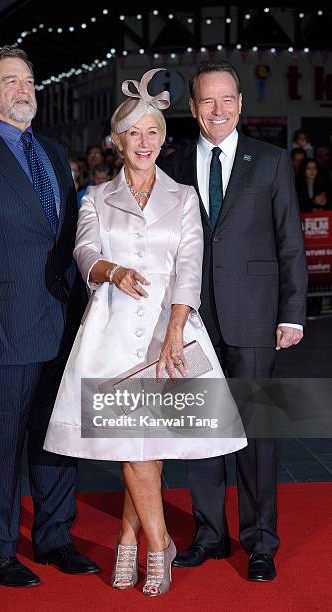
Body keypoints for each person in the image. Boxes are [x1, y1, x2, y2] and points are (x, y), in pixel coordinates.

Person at [44, 68, 246, 597]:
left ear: (163, 137)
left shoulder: (181, 199)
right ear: (116, 141)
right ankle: (161, 546)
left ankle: (129, 536)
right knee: (133, 448)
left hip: (168, 331)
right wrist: (113, 272)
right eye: (133, 133)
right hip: (111, 332)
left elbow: (190, 268)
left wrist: (177, 329)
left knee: (148, 449)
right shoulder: (93, 197)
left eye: (152, 132)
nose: (144, 142)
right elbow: (84, 252)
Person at [0, 46, 99, 587]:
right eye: (10, 81)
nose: (23, 89)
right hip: (1, 331)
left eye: (28, 80)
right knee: (0, 444)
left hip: (62, 326)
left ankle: (54, 538)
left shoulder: (53, 153)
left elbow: (71, 240)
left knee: (57, 440)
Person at [159, 60, 307, 582]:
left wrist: (293, 313)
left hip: (254, 316)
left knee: (256, 433)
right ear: (193, 108)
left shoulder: (269, 162)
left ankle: (260, 540)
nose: (217, 110)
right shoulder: (173, 166)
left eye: (227, 100)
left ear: (241, 103)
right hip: (195, 318)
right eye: (206, 101)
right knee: (202, 431)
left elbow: (291, 243)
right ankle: (209, 534)